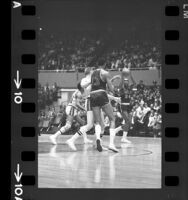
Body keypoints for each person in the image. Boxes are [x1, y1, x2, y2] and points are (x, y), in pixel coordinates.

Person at [89, 58, 121, 152]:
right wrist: (115, 89)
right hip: (101, 94)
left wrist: (111, 80)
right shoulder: (105, 73)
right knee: (112, 119)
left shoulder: (93, 73)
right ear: (105, 64)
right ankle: (111, 144)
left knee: (97, 122)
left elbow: (97, 84)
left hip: (92, 95)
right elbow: (111, 89)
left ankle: (98, 139)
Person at [111, 68, 136, 143]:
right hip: (122, 106)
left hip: (129, 106)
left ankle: (122, 137)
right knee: (127, 121)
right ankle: (118, 132)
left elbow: (134, 83)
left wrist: (131, 75)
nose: (126, 82)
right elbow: (121, 83)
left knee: (129, 123)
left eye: (127, 81)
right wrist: (122, 75)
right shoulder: (121, 88)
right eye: (125, 81)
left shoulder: (129, 88)